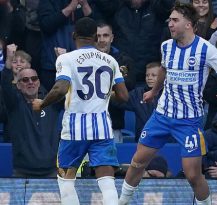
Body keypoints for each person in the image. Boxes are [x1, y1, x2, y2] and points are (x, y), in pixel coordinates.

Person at [118, 3, 217, 205]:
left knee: (192, 175)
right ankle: (122, 202)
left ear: (188, 24)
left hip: (189, 121)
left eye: (174, 20)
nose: (169, 24)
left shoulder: (206, 50)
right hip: (162, 115)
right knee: (137, 162)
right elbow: (164, 69)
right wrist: (154, 92)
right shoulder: (167, 46)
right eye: (169, 20)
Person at [32, 17, 128, 205]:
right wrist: (105, 93)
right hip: (102, 128)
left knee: (66, 181)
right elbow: (124, 96)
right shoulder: (110, 61)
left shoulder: (66, 58)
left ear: (74, 35)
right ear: (95, 37)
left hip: (74, 130)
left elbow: (60, 88)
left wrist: (42, 104)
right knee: (107, 182)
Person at [1, 67, 60, 177]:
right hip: (21, 172)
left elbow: (64, 88)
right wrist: (8, 64)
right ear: (18, 85)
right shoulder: (14, 105)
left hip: (51, 171)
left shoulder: (52, 103)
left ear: (39, 82)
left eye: (34, 79)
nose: (30, 82)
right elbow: (5, 86)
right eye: (25, 80)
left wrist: (61, 63)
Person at [96, 21, 136, 143]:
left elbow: (129, 85)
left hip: (113, 125)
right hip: (89, 127)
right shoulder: (84, 60)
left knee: (112, 162)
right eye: (98, 36)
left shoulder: (124, 60)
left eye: (105, 35)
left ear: (112, 38)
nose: (102, 39)